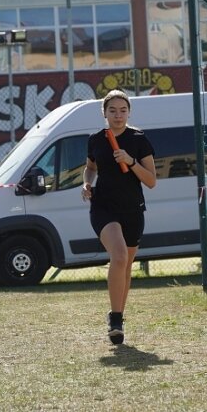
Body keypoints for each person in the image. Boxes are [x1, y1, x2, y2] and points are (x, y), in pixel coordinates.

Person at [82, 89, 156, 345]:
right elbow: (90, 168)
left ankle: (118, 318)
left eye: (122, 110)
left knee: (125, 267)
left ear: (129, 112)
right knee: (120, 256)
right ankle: (115, 318)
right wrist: (86, 183)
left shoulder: (138, 139)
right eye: (112, 110)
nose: (118, 115)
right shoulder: (95, 140)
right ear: (104, 113)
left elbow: (151, 181)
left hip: (132, 209)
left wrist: (131, 161)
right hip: (103, 207)